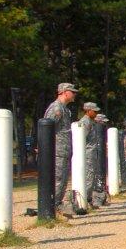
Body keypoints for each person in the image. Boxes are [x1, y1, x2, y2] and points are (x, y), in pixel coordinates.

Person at [43, 82, 78, 217]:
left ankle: (57, 205)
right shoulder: (56, 108)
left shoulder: (64, 109)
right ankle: (52, 208)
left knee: (62, 179)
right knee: (57, 178)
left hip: (64, 151)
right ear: (64, 92)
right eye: (72, 91)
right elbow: (47, 129)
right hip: (57, 151)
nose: (74, 94)